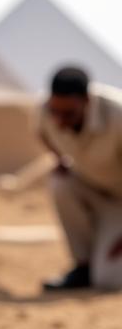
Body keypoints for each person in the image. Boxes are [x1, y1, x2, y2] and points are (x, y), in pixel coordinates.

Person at [40, 66, 122, 291]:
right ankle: (83, 267)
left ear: (87, 100)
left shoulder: (117, 115)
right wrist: (60, 159)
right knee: (61, 182)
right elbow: (42, 133)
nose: (59, 122)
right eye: (55, 112)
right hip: (93, 189)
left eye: (68, 115)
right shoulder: (46, 111)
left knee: (109, 280)